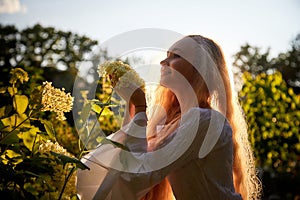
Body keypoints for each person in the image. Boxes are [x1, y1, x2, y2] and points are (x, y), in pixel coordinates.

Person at [76, 35, 262, 200]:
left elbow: (138, 174)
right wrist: (133, 106)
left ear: (200, 68)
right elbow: (129, 160)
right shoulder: (176, 124)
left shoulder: (205, 121)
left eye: (176, 56)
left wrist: (140, 107)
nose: (163, 62)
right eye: (166, 55)